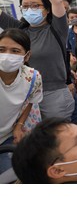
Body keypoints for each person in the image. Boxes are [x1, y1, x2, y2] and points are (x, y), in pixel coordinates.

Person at [0, 0, 74, 120]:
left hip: (54, 95)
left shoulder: (56, 29)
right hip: (25, 96)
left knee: (58, 141)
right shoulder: (20, 30)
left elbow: (57, 1)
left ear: (47, 9)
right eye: (25, 6)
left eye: (35, 5)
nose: (29, 9)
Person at [0, 28, 43, 174]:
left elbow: (31, 101)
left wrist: (19, 126)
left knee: (12, 176)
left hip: (6, 137)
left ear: (26, 56)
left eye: (15, 51)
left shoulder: (32, 77)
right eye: (2, 49)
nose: (7, 55)